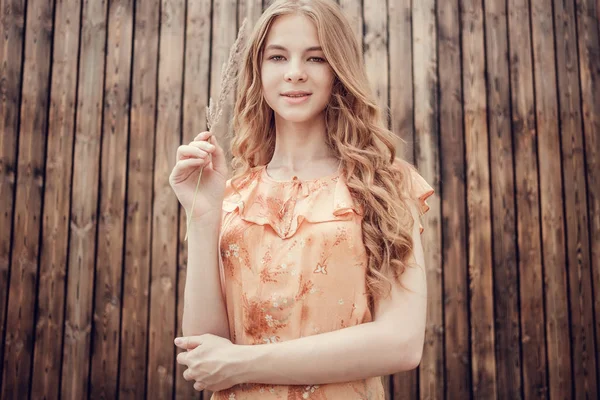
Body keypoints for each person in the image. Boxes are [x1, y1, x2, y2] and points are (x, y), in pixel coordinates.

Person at [169, 0, 434, 398]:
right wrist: (202, 216)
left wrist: (243, 363)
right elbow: (205, 349)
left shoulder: (386, 185)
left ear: (338, 72)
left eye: (316, 58)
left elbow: (401, 342)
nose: (295, 73)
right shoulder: (233, 196)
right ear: (259, 72)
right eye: (278, 57)